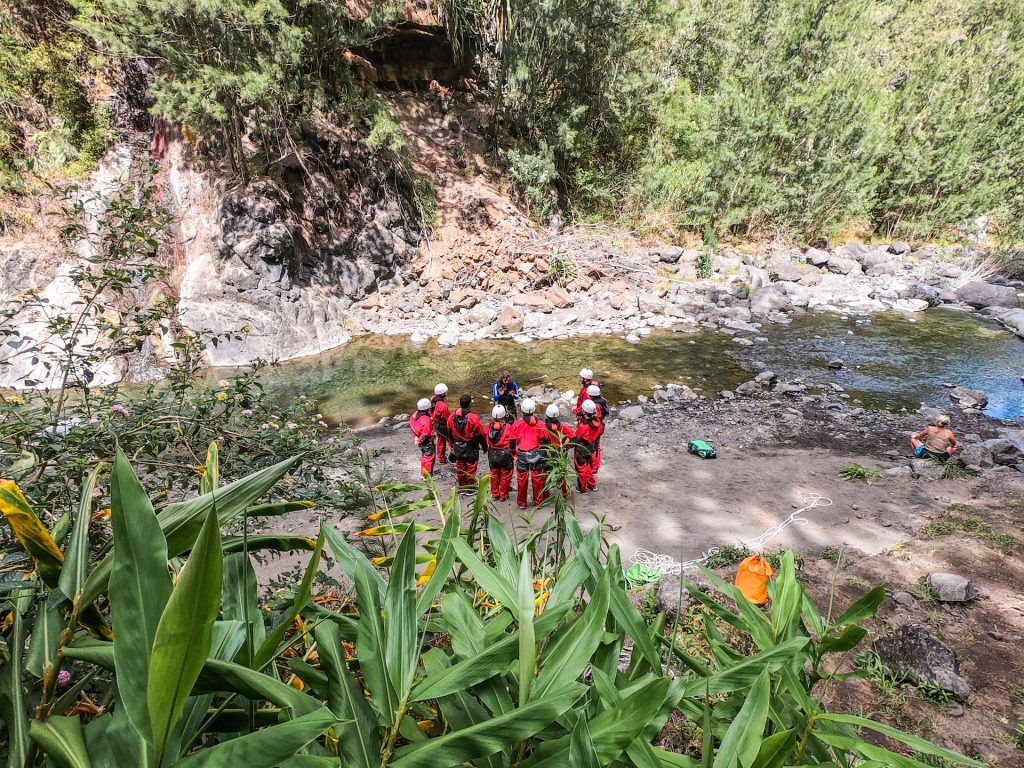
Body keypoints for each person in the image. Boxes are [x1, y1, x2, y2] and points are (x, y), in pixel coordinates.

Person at [510, 397, 550, 508]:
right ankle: (538, 501)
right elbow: (547, 440)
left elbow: (512, 441)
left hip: (522, 454)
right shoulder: (541, 424)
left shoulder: (517, 424)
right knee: (537, 479)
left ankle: (522, 502)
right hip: (537, 454)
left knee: (522, 480)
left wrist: (513, 451)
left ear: (522, 410)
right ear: (533, 410)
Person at [448, 394, 485, 495]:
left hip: (457, 446)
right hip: (471, 446)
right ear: (469, 404)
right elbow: (480, 434)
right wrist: (484, 447)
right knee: (471, 467)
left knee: (460, 466)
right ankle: (470, 489)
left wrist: (452, 445)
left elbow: (449, 432)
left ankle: (462, 488)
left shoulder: (451, 416)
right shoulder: (473, 418)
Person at [544, 403, 575, 498]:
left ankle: (546, 493)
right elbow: (574, 437)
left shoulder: (543, 427)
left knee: (546, 473)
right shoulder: (562, 427)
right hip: (560, 452)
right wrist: (567, 446)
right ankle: (563, 493)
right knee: (561, 473)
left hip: (548, 452)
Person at [573, 399, 604, 494]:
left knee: (581, 468)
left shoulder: (583, 426)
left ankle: (583, 488)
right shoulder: (598, 423)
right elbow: (599, 433)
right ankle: (593, 485)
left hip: (581, 448)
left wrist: (567, 446)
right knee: (587, 467)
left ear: (583, 411)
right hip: (592, 447)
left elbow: (576, 438)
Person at [577, 384, 609, 473]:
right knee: (595, 446)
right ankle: (594, 466)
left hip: (594, 428)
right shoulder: (602, 401)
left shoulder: (596, 405)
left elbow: (595, 417)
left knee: (594, 448)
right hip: (598, 427)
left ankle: (594, 468)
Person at [485, 404, 515, 501]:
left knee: (494, 474)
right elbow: (513, 440)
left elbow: (484, 435)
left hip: (492, 453)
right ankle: (503, 495)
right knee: (505, 475)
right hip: (505, 454)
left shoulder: (488, 427)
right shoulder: (508, 427)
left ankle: (495, 494)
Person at [409, 398, 436, 476]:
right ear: (427, 408)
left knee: (425, 456)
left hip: (418, 438)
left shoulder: (414, 416)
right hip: (426, 441)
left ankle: (423, 473)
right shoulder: (425, 419)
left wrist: (416, 439)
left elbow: (412, 427)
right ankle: (426, 475)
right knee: (429, 457)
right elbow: (426, 433)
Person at [430, 383, 451, 463]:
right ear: (443, 393)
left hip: (436, 424)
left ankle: (441, 458)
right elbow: (448, 418)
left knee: (440, 439)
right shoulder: (442, 406)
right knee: (450, 439)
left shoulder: (432, 399)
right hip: (442, 425)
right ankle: (453, 455)